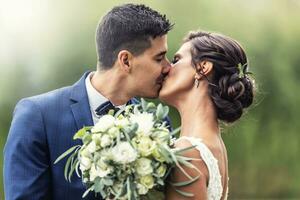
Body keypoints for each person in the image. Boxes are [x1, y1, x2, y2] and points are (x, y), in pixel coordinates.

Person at [3, 4, 172, 200]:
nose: (168, 68)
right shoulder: (37, 116)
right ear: (125, 60)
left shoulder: (157, 125)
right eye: (159, 58)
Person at [159, 31, 255, 199]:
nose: (167, 68)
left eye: (176, 60)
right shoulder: (213, 147)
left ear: (202, 68)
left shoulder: (188, 152)